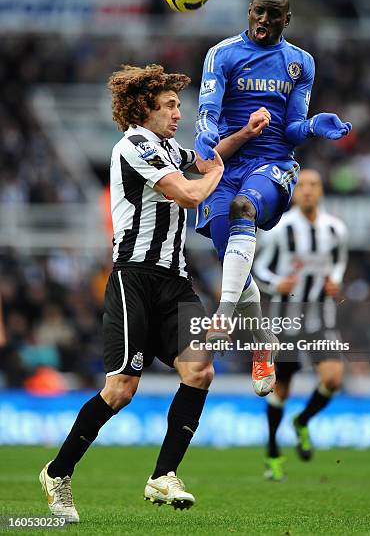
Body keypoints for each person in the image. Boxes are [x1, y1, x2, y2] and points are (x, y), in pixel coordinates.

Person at [39, 64, 268, 522]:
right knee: (121, 390)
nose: (178, 112)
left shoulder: (165, 146)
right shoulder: (135, 144)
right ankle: (58, 472)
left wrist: (243, 132)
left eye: (179, 105)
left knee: (200, 370)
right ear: (144, 109)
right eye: (169, 105)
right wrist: (215, 177)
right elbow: (189, 192)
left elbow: (205, 159)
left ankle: (164, 475)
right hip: (134, 278)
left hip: (175, 280)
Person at [194, 0, 352, 396]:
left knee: (244, 208)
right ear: (250, 10)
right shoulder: (223, 54)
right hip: (226, 166)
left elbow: (293, 128)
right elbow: (208, 111)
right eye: (259, 12)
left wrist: (315, 125)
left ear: (288, 19)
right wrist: (206, 135)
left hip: (272, 165)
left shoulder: (300, 64)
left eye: (273, 14)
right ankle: (263, 343)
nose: (264, 20)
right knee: (234, 259)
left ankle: (224, 315)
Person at [253, 169, 348, 481]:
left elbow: (338, 263)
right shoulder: (280, 229)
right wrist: (277, 284)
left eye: (314, 185)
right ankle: (272, 451)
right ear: (295, 192)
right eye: (302, 185)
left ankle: (303, 420)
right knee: (281, 388)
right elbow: (259, 268)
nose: (307, 190)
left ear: (321, 191)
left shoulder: (335, 229)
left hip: (322, 318)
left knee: (333, 378)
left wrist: (335, 282)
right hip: (286, 320)